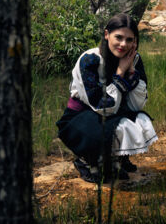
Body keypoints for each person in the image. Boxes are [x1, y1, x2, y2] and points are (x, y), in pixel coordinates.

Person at [56, 13, 158, 182]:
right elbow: (103, 107)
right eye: (118, 37)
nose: (123, 44)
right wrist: (119, 73)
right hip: (81, 117)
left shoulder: (134, 59)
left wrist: (131, 71)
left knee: (139, 119)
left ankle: (116, 159)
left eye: (129, 40)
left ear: (135, 42)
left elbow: (136, 105)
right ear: (106, 35)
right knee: (117, 127)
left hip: (112, 111)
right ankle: (87, 161)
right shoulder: (90, 60)